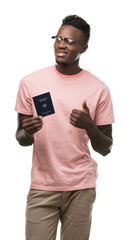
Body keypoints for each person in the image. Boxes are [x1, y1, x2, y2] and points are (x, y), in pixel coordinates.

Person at [15, 15, 114, 240]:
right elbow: (21, 138)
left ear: (84, 48)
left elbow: (106, 148)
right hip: (43, 186)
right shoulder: (31, 82)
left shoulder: (99, 88)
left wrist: (89, 125)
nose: (61, 44)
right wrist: (27, 131)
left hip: (81, 186)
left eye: (70, 41)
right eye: (58, 38)